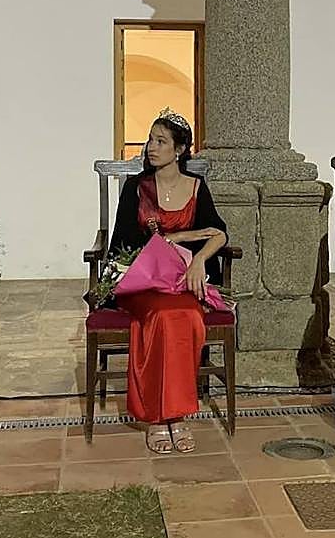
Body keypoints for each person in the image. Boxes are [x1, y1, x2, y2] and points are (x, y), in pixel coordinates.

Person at [109, 108, 227, 454]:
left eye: (161, 141)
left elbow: (218, 232)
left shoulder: (196, 187)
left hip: (182, 284)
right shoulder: (136, 188)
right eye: (150, 140)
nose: (151, 147)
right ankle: (158, 418)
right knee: (162, 317)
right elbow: (123, 245)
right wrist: (170, 244)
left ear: (179, 150)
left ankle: (176, 414)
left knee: (186, 316)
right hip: (144, 284)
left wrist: (200, 261)